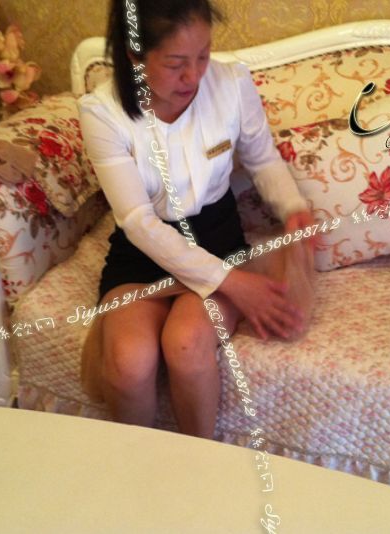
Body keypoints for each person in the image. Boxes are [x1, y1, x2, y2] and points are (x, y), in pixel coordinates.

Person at [78, 0, 315, 439]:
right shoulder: (103, 113)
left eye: (203, 56)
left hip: (217, 239)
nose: (194, 76)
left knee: (186, 346)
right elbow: (138, 223)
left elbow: (262, 159)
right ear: (135, 55)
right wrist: (234, 284)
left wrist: (293, 207)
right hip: (144, 251)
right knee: (128, 363)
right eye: (175, 64)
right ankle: (136, 469)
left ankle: (199, 465)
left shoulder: (231, 83)